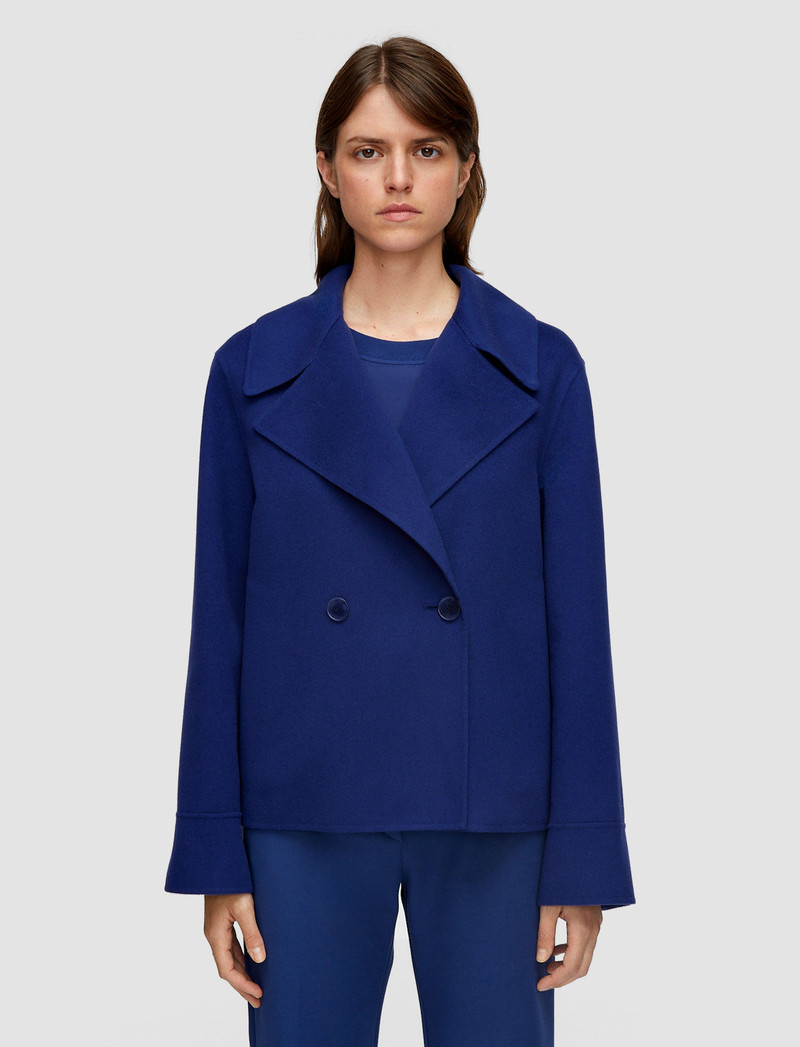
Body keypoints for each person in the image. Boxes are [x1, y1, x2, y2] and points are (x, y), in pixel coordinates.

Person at [165, 35, 635, 1047]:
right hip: (302, 804)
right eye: (368, 150)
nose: (397, 178)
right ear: (327, 171)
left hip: (493, 805)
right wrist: (214, 853)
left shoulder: (540, 369)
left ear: (465, 171)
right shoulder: (250, 371)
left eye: (426, 150)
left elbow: (577, 627)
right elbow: (220, 624)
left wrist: (584, 856)